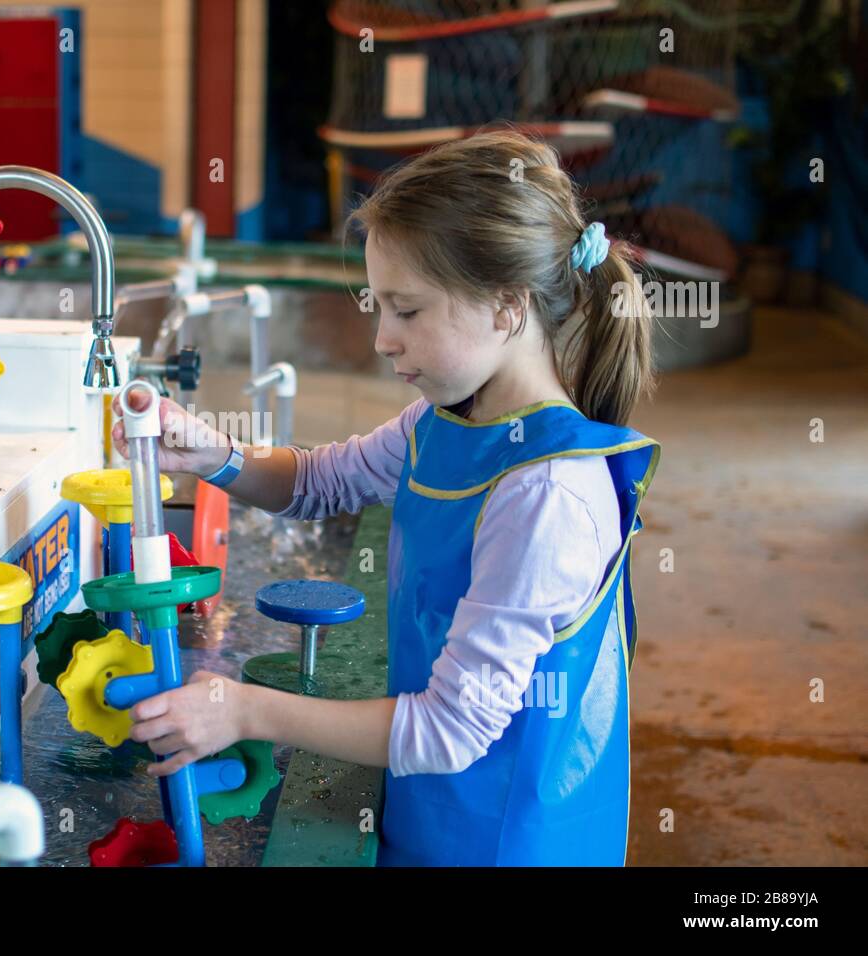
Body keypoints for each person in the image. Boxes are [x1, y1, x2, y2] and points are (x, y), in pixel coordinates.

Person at [113, 130, 660, 866]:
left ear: (506, 307)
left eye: (407, 310)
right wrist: (215, 453)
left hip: (507, 844)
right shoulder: (447, 422)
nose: (382, 340)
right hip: (435, 818)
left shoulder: (547, 496)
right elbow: (320, 481)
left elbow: (448, 730)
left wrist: (243, 708)